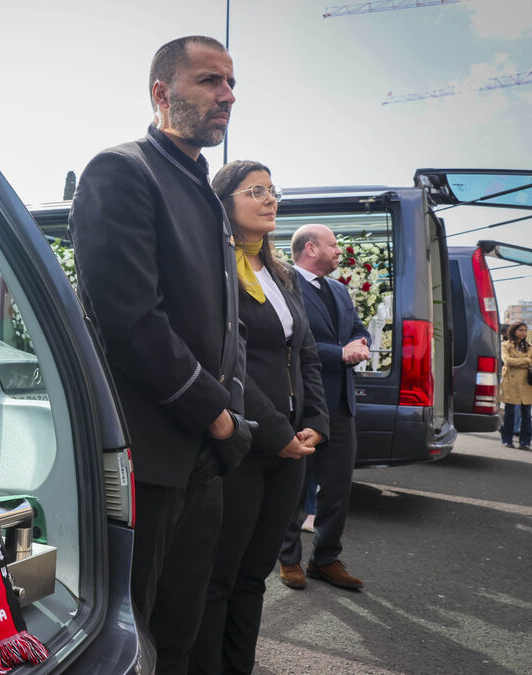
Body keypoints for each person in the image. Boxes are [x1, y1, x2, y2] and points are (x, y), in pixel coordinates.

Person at [69, 35, 252, 674]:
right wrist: (218, 416)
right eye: (210, 81)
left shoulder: (201, 188)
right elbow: (131, 322)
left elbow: (226, 327)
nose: (227, 96)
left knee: (181, 634)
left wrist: (230, 417)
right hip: (147, 458)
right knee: (134, 641)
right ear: (161, 93)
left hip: (203, 456)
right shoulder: (122, 171)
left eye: (231, 84)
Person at [191, 161, 329, 674]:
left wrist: (317, 420)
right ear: (223, 201)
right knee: (220, 578)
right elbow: (226, 364)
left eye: (273, 191)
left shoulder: (281, 273)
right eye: (256, 191)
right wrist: (276, 433)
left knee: (255, 578)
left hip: (292, 446)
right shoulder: (212, 269)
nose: (270, 199)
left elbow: (306, 354)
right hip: (244, 442)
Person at [278, 224, 371, 591]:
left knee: (338, 488)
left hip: (342, 406)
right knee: (294, 486)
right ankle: (289, 559)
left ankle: (325, 558)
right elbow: (288, 342)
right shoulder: (284, 284)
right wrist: (339, 354)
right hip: (302, 403)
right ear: (311, 249)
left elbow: (358, 329)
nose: (339, 251)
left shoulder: (340, 290)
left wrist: (360, 343)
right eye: (333, 245)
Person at [499, 322, 532, 449]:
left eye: (525, 330)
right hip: (511, 382)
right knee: (509, 412)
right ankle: (507, 439)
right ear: (514, 331)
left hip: (526, 383)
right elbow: (507, 361)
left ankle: (525, 442)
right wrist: (526, 360)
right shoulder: (505, 345)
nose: (523, 333)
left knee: (526, 415)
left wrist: (517, 361)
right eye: (520, 330)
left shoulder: (529, 346)